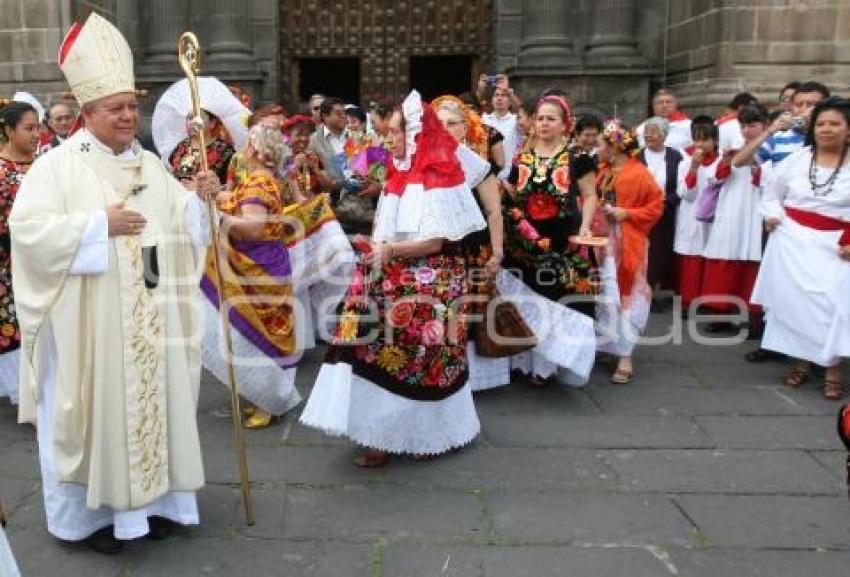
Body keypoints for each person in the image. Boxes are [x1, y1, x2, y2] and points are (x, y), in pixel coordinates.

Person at [9, 13, 214, 553]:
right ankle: (95, 521)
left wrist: (201, 201)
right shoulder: (55, 169)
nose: (128, 116)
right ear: (87, 112)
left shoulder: (150, 162)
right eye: (115, 108)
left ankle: (159, 506)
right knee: (100, 417)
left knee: (158, 405)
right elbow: (27, 234)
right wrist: (100, 225)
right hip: (91, 323)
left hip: (151, 312)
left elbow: (180, 229)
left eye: (132, 106)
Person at [300, 90, 487, 467]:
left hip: (430, 283)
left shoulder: (438, 177)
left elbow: (436, 240)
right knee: (370, 349)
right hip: (390, 276)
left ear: (417, 134)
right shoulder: (398, 174)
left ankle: (428, 432)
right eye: (387, 133)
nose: (389, 140)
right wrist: (375, 245)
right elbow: (390, 228)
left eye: (396, 133)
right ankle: (378, 434)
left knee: (418, 357)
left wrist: (389, 252)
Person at [202, 124, 303, 429]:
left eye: (248, 144)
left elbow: (253, 228)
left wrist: (217, 218)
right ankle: (263, 394)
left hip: (257, 263)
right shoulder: (260, 179)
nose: (244, 149)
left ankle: (269, 400)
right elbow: (236, 202)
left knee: (260, 333)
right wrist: (215, 195)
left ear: (256, 150)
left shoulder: (259, 182)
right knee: (259, 329)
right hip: (262, 261)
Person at [752, 97, 850, 400]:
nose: (826, 129)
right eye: (821, 123)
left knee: (832, 306)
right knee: (795, 305)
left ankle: (832, 369)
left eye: (835, 123)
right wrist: (773, 215)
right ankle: (801, 363)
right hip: (792, 242)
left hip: (835, 245)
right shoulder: (796, 159)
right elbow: (771, 194)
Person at [499, 94, 597, 387]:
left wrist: (586, 227)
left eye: (550, 118)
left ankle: (544, 367)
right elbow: (515, 192)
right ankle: (521, 359)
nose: (543, 123)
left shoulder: (577, 156)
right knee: (523, 296)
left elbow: (590, 195)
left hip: (557, 237)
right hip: (524, 238)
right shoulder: (523, 153)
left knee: (552, 299)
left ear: (565, 124)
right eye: (540, 118)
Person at [434, 96, 509, 392]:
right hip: (437, 249)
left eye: (452, 123)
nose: (445, 129)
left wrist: (498, 251)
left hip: (473, 249)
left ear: (465, 128)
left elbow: (493, 212)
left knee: (471, 312)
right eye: (439, 124)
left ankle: (472, 379)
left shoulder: (478, 165)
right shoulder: (421, 161)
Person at [595, 120, 664, 383]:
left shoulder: (639, 173)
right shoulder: (602, 170)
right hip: (602, 240)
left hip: (627, 240)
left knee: (628, 294)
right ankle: (605, 344)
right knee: (603, 293)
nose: (598, 149)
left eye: (602, 144)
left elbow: (656, 206)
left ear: (615, 147)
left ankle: (625, 355)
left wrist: (627, 213)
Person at [701, 105, 770, 334]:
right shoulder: (732, 151)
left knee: (754, 261)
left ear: (765, 126)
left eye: (753, 125)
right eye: (744, 126)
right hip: (732, 210)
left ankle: (754, 317)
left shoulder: (770, 149)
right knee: (726, 259)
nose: (747, 130)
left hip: (757, 210)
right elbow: (719, 175)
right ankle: (721, 313)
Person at [0, 101, 40, 405]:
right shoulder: (1, 170)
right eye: (29, 128)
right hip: (8, 264)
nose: (36, 134)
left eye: (38, 127)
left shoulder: (45, 165)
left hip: (45, 262)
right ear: (9, 131)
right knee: (13, 328)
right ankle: (20, 393)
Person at [675, 121, 722, 313]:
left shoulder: (722, 162)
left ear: (715, 140)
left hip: (714, 217)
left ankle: (708, 301)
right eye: (697, 140)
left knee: (711, 258)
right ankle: (688, 301)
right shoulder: (685, 162)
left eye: (705, 140)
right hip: (692, 216)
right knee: (692, 259)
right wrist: (694, 168)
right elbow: (685, 194)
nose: (700, 145)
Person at [638, 117, 684, 301]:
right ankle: (639, 289)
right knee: (640, 250)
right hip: (640, 211)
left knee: (660, 252)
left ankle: (654, 289)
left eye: (654, 131)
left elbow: (681, 185)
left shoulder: (675, 156)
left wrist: (667, 203)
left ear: (664, 135)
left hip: (665, 211)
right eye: (647, 131)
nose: (649, 135)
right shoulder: (637, 156)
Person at [758, 81, 830, 166]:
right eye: (799, 105)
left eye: (810, 105)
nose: (804, 109)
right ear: (792, 107)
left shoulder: (832, 137)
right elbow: (742, 163)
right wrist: (769, 131)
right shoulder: (776, 138)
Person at [168, 108, 235, 185]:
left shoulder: (226, 151)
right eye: (189, 118)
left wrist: (200, 189)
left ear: (212, 123)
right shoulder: (181, 146)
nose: (192, 123)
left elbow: (229, 186)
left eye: (198, 118)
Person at [482, 84, 520, 180]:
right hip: (488, 177)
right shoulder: (484, 119)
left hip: (509, 177)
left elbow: (525, 112)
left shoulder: (516, 120)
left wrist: (512, 95)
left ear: (510, 101)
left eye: (503, 95)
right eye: (496, 95)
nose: (499, 98)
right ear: (491, 100)